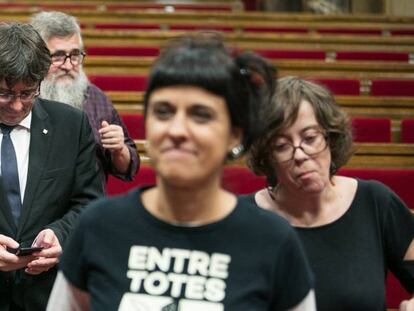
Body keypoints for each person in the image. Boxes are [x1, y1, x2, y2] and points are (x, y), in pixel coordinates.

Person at [46, 34, 316, 310]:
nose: (176, 130)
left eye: (201, 115)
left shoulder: (272, 240)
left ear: (235, 134)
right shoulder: (97, 226)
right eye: (163, 112)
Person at [242, 76, 414, 310]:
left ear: (330, 138)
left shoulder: (375, 202)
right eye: (281, 146)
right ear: (268, 159)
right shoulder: (242, 219)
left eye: (310, 138)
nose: (300, 155)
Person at [0, 23, 103, 311]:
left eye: (28, 93)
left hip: (46, 295)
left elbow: (88, 202)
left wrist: (61, 234)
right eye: (5, 93)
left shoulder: (71, 124)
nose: (17, 106)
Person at [31, 11, 139, 185]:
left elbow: (126, 169)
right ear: (37, 58)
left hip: (89, 206)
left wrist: (119, 149)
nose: (68, 65)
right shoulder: (21, 100)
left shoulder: (96, 98)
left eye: (74, 55)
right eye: (57, 56)